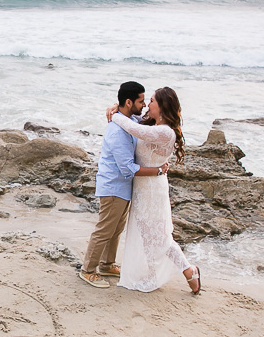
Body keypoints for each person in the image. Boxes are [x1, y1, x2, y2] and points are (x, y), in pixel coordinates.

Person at [106, 86, 200, 294]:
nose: (148, 104)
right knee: (147, 235)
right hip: (140, 188)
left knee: (161, 238)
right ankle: (152, 271)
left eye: (152, 101)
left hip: (153, 189)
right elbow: (135, 123)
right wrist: (117, 108)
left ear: (163, 105)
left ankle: (189, 271)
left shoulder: (165, 132)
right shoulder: (150, 123)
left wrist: (115, 113)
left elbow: (134, 129)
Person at [79, 81, 169, 289]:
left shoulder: (129, 119)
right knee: (104, 230)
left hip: (123, 188)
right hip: (112, 187)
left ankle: (107, 264)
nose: (145, 105)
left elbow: (143, 120)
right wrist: (158, 171)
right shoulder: (117, 132)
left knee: (116, 229)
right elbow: (128, 168)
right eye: (141, 101)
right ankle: (88, 270)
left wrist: (114, 107)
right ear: (129, 102)